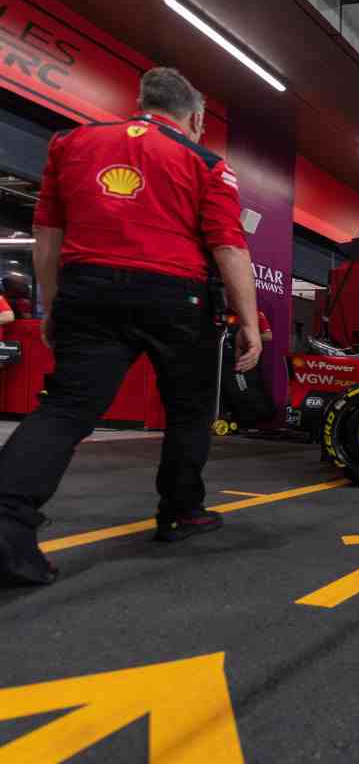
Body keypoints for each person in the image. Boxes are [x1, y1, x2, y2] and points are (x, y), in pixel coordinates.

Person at [0, 67, 261, 586]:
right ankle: (181, 512)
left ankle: (6, 519)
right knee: (188, 410)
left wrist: (51, 304)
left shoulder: (70, 142)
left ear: (141, 102)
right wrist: (250, 323)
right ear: (194, 117)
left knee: (68, 406)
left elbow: (46, 231)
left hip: (88, 289)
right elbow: (228, 247)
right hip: (176, 298)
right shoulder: (206, 163)